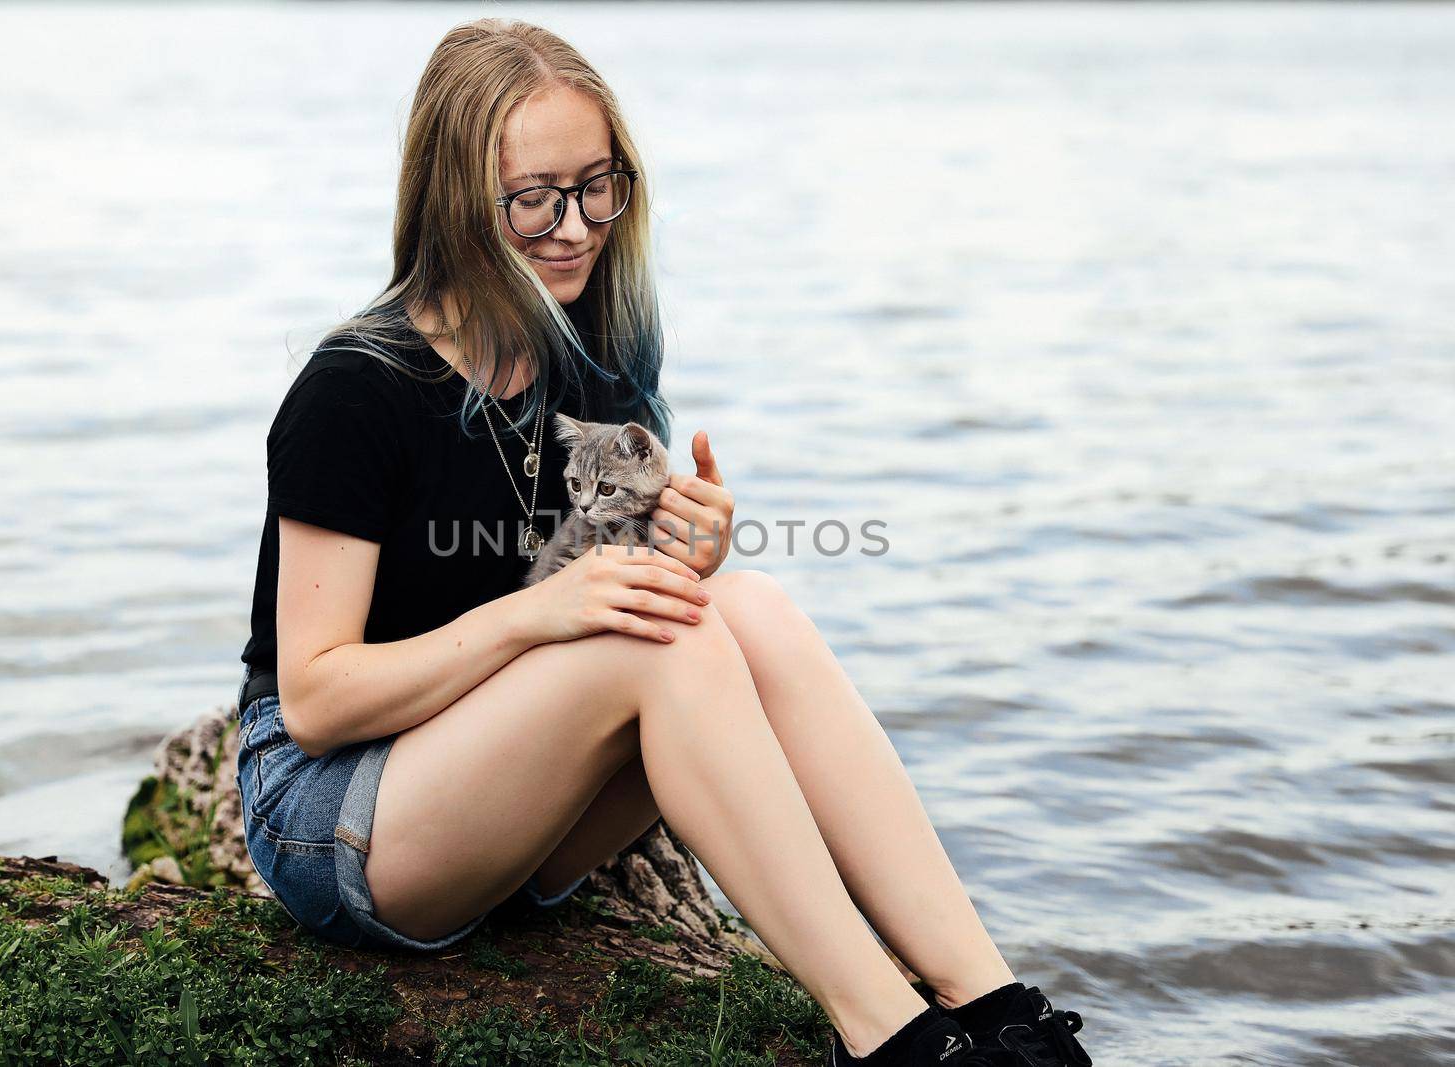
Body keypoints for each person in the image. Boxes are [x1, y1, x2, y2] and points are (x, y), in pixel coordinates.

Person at [234, 18, 1093, 1067]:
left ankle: (994, 1002)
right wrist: (542, 611)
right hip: (334, 815)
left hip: (509, 803)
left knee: (746, 610)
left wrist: (687, 553)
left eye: (599, 185)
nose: (575, 225)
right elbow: (317, 699)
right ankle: (890, 1036)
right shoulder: (353, 391)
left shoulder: (593, 363)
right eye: (533, 197)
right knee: (659, 634)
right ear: (454, 202)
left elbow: (610, 620)